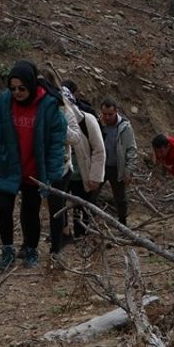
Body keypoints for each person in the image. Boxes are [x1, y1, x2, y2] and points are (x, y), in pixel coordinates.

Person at [0, 61, 66, 270]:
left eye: (22, 88)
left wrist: (53, 174)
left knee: (30, 212)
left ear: (30, 85)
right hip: (8, 165)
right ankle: (7, 250)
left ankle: (31, 249)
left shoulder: (48, 106)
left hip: (34, 170)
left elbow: (57, 143)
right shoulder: (2, 104)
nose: (17, 92)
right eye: (13, 88)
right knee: (3, 208)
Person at [53, 85, 105, 252]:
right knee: (59, 206)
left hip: (82, 172)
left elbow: (99, 149)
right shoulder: (55, 118)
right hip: (64, 170)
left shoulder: (87, 120)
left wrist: (96, 176)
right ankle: (64, 235)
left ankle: (83, 236)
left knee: (81, 207)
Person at [99, 98, 138, 225]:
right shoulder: (98, 124)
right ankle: (88, 221)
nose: (107, 117)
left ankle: (122, 223)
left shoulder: (125, 127)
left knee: (120, 198)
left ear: (116, 111)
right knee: (91, 194)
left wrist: (129, 170)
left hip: (117, 167)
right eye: (105, 114)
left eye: (110, 114)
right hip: (100, 166)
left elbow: (131, 149)